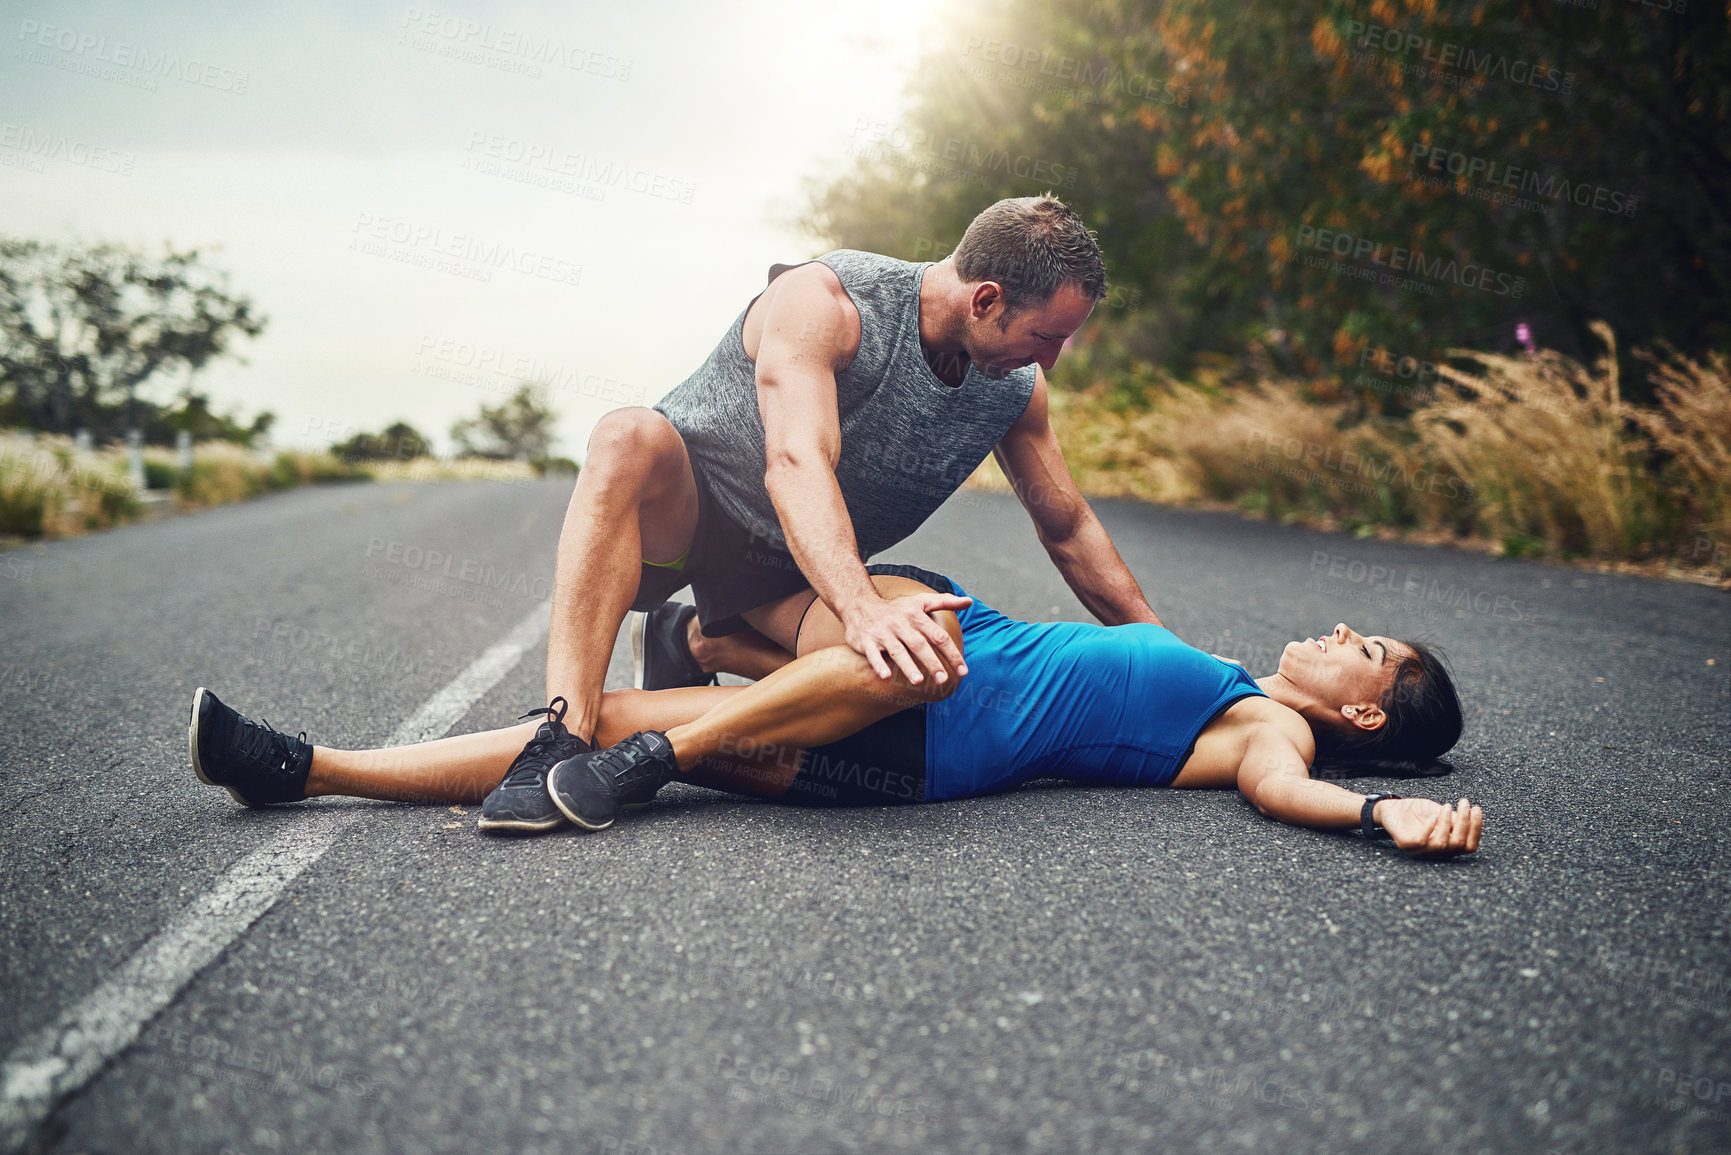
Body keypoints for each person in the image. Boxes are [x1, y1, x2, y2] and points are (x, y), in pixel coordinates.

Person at [517, 194, 1167, 832]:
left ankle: (694, 638)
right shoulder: (828, 301)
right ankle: (560, 734)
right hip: (684, 520)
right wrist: (861, 606)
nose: (1050, 359)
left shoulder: (1015, 391)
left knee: (918, 665)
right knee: (626, 434)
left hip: (787, 576)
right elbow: (796, 460)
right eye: (1045, 336)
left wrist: (1169, 660)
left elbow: (1068, 527)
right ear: (986, 299)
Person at [187, 566, 1482, 858]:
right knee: (600, 705)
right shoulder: (1240, 681)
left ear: (1365, 714)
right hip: (929, 655)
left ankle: (651, 752)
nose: (1328, 632)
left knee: (635, 722)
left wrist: (1382, 813)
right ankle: (299, 766)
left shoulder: (1276, 734)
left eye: (1357, 646)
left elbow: (1279, 793)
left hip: (925, 729)